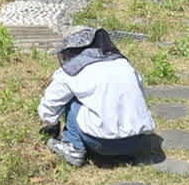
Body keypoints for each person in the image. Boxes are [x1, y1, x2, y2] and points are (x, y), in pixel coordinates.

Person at [38, 27, 155, 168]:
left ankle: (73, 147)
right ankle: (123, 151)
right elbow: (140, 96)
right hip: (138, 142)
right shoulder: (123, 63)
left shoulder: (71, 71)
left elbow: (50, 104)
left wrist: (51, 124)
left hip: (102, 144)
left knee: (73, 101)